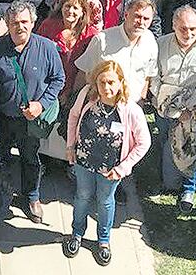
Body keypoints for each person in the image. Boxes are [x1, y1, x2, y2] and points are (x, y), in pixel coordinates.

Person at [63, 60, 151, 266]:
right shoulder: (86, 96)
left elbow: (144, 142)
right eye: (102, 82)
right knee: (82, 196)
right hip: (83, 160)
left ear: (120, 82)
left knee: (105, 201)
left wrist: (124, 167)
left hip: (111, 169)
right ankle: (77, 233)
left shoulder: (130, 109)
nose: (107, 88)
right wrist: (69, 146)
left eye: (111, 82)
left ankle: (103, 240)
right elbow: (73, 117)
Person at [0, 0, 65, 223]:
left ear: (33, 23)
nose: (19, 27)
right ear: (7, 24)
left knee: (30, 159)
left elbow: (58, 79)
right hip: (2, 118)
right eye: (14, 23)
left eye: (24, 22)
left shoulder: (47, 48)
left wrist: (41, 104)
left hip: (30, 121)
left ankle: (31, 196)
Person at [151, 6, 196, 213]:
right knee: (167, 142)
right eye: (183, 29)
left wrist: (188, 103)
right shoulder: (161, 44)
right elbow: (154, 79)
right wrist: (173, 105)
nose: (188, 34)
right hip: (166, 108)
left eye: (193, 29)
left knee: (191, 146)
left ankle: (188, 189)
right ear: (173, 26)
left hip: (194, 109)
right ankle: (169, 177)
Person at [36, 0, 99, 135]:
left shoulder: (91, 34)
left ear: (83, 11)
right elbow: (38, 57)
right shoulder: (48, 26)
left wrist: (70, 92)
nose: (70, 11)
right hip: (48, 88)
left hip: (77, 90)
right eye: (67, 6)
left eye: (75, 8)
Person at [75, 0, 160, 104]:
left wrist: (141, 101)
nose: (141, 22)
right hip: (102, 106)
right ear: (126, 15)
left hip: (133, 107)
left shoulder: (150, 41)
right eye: (137, 16)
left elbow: (147, 76)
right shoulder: (102, 40)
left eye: (146, 19)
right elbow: (83, 72)